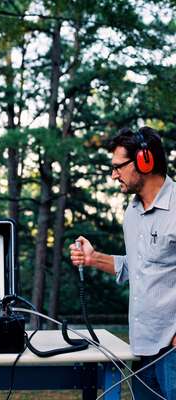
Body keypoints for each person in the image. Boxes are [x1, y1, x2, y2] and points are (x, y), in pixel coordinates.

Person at [69, 126, 176, 399]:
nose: (114, 174)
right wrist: (94, 259)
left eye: (118, 166)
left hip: (173, 350)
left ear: (145, 160)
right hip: (142, 348)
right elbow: (137, 266)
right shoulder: (132, 211)